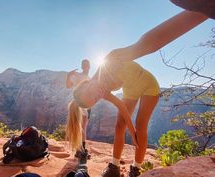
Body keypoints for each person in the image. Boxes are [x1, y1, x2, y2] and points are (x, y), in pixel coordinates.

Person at [66, 10, 208, 177]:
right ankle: (114, 166)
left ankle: (136, 168)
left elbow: (146, 45)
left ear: (87, 83)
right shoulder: (102, 92)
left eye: (92, 93)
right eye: (95, 100)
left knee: (141, 126)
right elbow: (121, 107)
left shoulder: (110, 60)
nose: (98, 95)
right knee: (120, 125)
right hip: (131, 90)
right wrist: (131, 132)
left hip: (148, 85)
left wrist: (201, 10)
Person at [65, 59, 91, 161]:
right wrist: (68, 76)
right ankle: (82, 151)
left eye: (87, 65)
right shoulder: (78, 77)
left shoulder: (89, 78)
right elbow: (68, 86)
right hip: (79, 105)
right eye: (84, 65)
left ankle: (79, 150)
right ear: (82, 66)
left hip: (88, 106)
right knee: (81, 128)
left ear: (89, 66)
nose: (86, 67)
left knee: (83, 127)